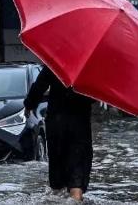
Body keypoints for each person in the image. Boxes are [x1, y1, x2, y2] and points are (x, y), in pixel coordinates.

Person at [24, 66, 95, 202]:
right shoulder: (89, 68)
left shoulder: (57, 62)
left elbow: (40, 85)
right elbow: (95, 96)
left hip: (56, 124)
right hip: (79, 125)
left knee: (57, 180)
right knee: (76, 177)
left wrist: (29, 105)